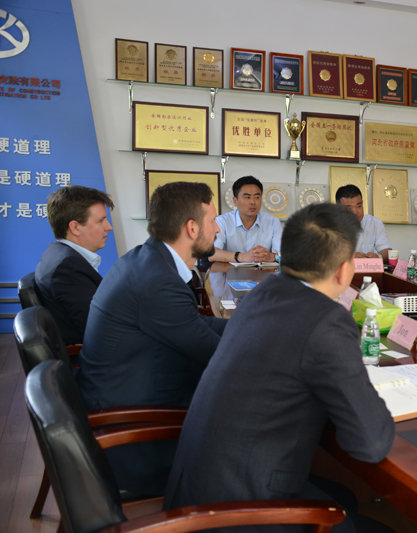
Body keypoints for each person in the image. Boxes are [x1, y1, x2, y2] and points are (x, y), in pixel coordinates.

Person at [163, 203, 396, 532]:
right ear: (345, 270)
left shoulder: (263, 292)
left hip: (199, 489)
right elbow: (371, 444)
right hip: (243, 512)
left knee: (343, 496)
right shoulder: (326, 320)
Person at [77, 181, 228, 495]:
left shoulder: (147, 260)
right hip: (135, 436)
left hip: (127, 396)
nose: (217, 229)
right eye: (213, 221)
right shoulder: (158, 281)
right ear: (191, 228)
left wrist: (249, 325)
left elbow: (195, 326)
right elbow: (218, 356)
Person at [34, 186, 114, 345]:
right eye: (100, 221)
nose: (109, 227)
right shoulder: (67, 268)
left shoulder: (57, 254)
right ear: (75, 227)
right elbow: (100, 329)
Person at [208, 176, 282, 263]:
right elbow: (212, 254)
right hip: (229, 271)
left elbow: (287, 253)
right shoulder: (222, 221)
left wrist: (272, 257)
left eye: (257, 197)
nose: (253, 202)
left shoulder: (272, 222)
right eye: (247, 197)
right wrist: (242, 257)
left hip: (262, 271)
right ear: (235, 201)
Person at [336, 184, 391, 260]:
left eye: (358, 206)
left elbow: (387, 250)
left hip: (368, 267)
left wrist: (378, 257)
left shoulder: (375, 223)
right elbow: (324, 256)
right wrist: (348, 257)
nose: (355, 212)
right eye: (349, 208)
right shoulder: (329, 227)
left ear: (362, 203)